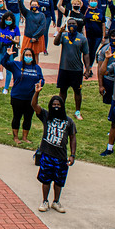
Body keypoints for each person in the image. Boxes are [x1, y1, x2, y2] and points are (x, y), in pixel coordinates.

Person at [30, 81, 76, 213]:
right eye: (54, 104)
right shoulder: (46, 116)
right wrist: (37, 93)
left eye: (58, 105)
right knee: (46, 180)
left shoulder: (69, 121)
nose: (56, 106)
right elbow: (34, 105)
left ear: (62, 106)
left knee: (59, 181)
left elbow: (73, 138)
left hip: (61, 156)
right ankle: (45, 201)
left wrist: (72, 155)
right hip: (47, 154)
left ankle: (56, 201)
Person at [0, 45, 45, 144]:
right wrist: (7, 55)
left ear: (33, 57)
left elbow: (41, 79)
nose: (28, 57)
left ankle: (25, 137)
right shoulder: (16, 65)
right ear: (23, 56)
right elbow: (3, 63)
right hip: (17, 97)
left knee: (28, 118)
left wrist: (40, 84)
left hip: (30, 98)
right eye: (26, 55)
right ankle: (15, 137)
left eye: (30, 55)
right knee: (17, 117)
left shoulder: (36, 68)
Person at [54, 23, 90, 120]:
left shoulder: (82, 39)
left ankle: (77, 111)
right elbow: (56, 43)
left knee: (77, 91)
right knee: (62, 90)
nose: (71, 25)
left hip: (77, 69)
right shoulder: (64, 36)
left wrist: (88, 69)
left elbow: (86, 54)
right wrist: (59, 32)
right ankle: (60, 111)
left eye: (73, 24)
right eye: (69, 24)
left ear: (77, 26)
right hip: (64, 68)